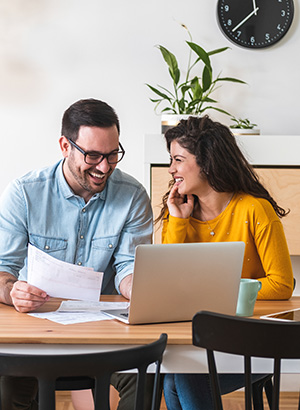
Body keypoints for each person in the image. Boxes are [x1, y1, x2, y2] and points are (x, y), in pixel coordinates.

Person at [0, 98, 153, 410]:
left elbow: (127, 266)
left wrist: (139, 287)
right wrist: (11, 291)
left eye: (113, 155)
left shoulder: (133, 195)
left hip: (106, 332)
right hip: (35, 331)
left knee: (148, 374)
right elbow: (3, 269)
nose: (104, 167)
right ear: (64, 146)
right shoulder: (25, 193)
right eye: (93, 155)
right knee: (4, 387)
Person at [157, 115, 294, 410]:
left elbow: (282, 284)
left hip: (254, 343)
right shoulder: (179, 213)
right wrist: (178, 223)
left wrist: (217, 295)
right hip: (199, 340)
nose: (172, 169)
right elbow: (167, 284)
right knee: (173, 377)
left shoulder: (255, 209)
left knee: (186, 378)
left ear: (206, 162)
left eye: (178, 160)